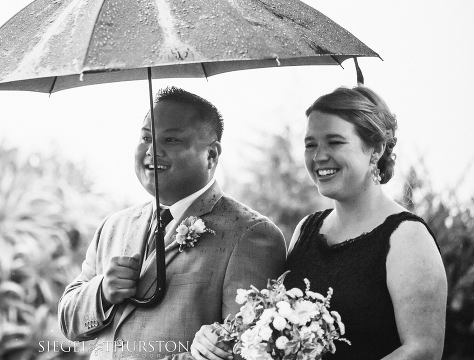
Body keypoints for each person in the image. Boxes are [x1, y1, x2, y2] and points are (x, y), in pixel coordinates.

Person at [189, 85, 447, 360]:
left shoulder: (407, 237)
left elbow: (423, 350)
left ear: (376, 149)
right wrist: (218, 337)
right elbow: (273, 331)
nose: (318, 156)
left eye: (334, 142)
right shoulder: (307, 229)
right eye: (310, 144)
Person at [58, 87, 286, 359]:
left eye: (172, 140)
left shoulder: (250, 235)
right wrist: (103, 292)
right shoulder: (113, 227)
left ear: (211, 155)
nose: (152, 150)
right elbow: (68, 324)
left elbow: (249, 350)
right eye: (145, 137)